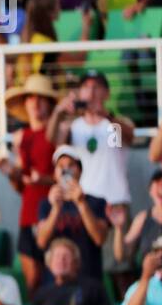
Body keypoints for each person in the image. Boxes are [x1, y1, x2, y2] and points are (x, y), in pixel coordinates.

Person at [0, 74, 59, 291]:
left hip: (53, 212)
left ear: (50, 103)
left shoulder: (59, 132)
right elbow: (21, 187)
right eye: (31, 98)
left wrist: (42, 179)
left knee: (55, 276)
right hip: (28, 213)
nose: (35, 103)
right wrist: (11, 174)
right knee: (32, 282)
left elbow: (68, 176)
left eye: (41, 98)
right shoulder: (20, 137)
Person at [50, 71, 134, 209]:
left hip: (115, 200)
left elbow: (127, 139)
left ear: (107, 93)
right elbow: (52, 139)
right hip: (85, 200)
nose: (91, 91)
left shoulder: (114, 123)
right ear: (79, 93)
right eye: (86, 86)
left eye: (97, 86)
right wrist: (59, 111)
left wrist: (105, 115)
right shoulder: (73, 126)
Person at [34, 145, 109, 282]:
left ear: (79, 171)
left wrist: (81, 203)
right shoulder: (46, 204)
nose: (65, 169)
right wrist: (55, 208)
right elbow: (41, 242)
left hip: (89, 279)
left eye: (70, 165)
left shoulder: (96, 202)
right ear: (55, 174)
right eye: (60, 166)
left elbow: (99, 239)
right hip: (56, 283)